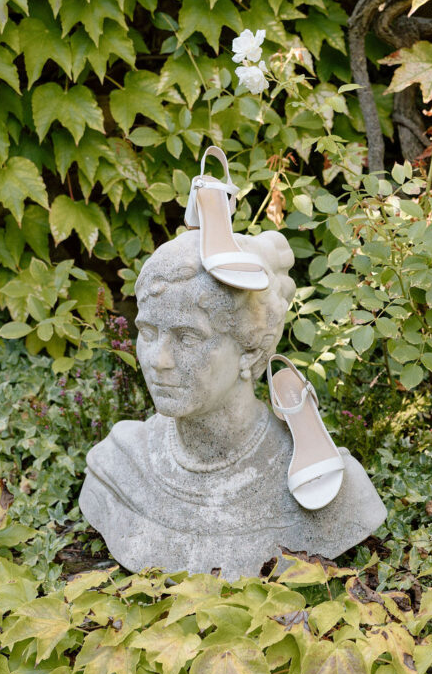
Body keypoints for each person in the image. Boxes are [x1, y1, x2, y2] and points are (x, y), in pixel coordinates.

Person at [79, 229, 386, 578]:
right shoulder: (120, 465)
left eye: (187, 337)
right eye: (148, 332)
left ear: (251, 349)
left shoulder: (331, 488)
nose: (158, 360)